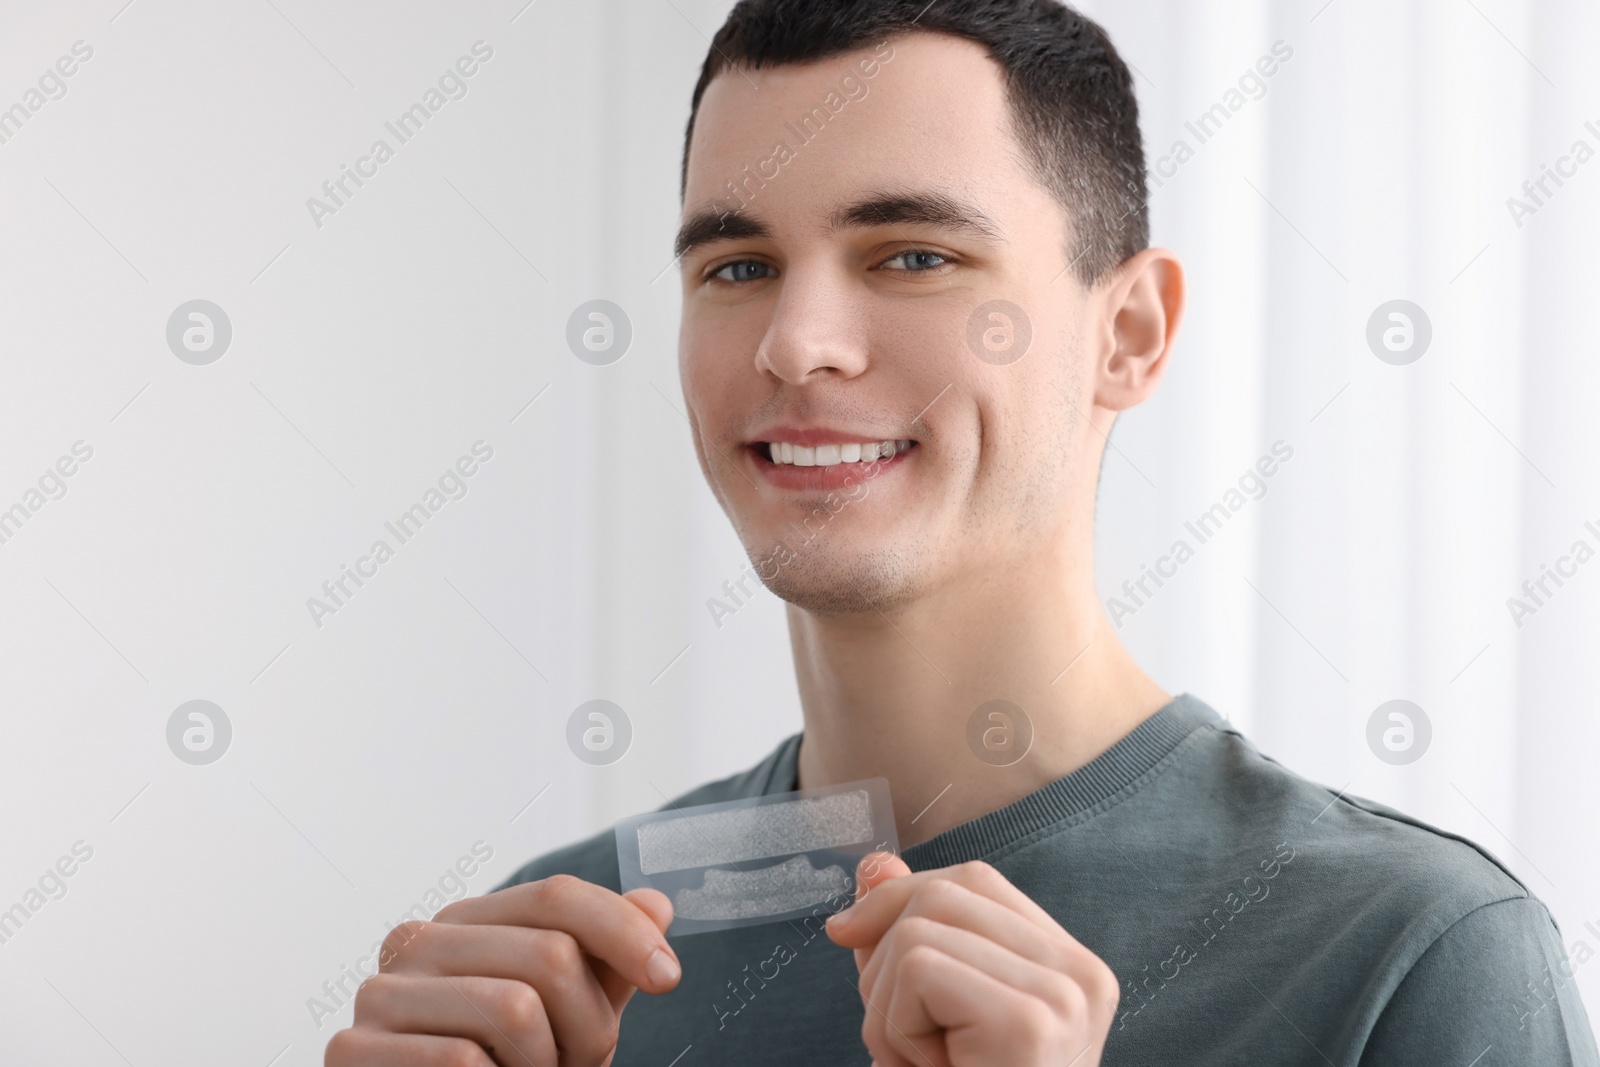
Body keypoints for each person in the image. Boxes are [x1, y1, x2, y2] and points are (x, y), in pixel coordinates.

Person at [325, 1, 1600, 1064]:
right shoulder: (551, 964)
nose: (794, 341)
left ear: (1130, 332)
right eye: (737, 265)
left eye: (912, 255)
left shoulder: (1415, 964)